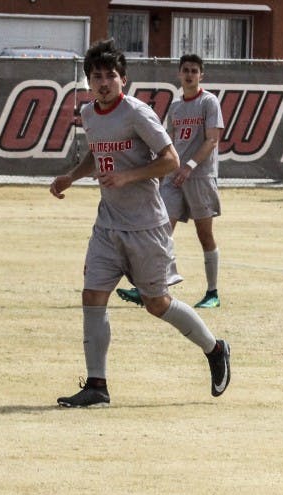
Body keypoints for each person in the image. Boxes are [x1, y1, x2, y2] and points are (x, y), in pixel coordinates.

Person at [49, 39, 231, 407]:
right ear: (88, 82)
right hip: (108, 225)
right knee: (92, 296)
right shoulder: (89, 115)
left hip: (146, 225)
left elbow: (170, 160)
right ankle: (97, 386)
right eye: (96, 76)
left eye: (110, 76)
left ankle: (214, 348)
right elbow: (98, 157)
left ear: (123, 80)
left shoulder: (137, 113)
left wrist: (129, 177)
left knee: (157, 303)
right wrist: (72, 176)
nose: (103, 83)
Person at [117, 53, 225, 310]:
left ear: (201, 75)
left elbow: (212, 140)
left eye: (194, 71)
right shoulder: (176, 107)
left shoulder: (209, 102)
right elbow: (171, 143)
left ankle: (213, 292)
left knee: (204, 234)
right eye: (185, 70)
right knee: (160, 230)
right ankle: (149, 290)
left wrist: (189, 166)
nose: (189, 75)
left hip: (199, 176)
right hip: (175, 177)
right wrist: (162, 171)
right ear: (179, 73)